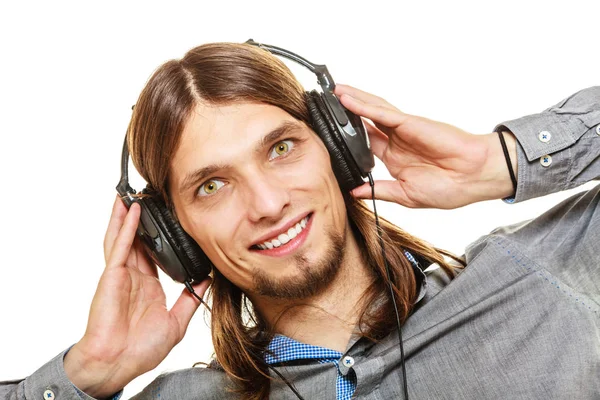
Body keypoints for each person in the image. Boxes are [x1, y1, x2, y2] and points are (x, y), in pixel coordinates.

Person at [1, 42, 598, 400]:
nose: (264, 203)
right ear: (174, 239)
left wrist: (503, 160)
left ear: (340, 148)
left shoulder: (547, 276)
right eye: (212, 185)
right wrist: (87, 374)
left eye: (280, 148)